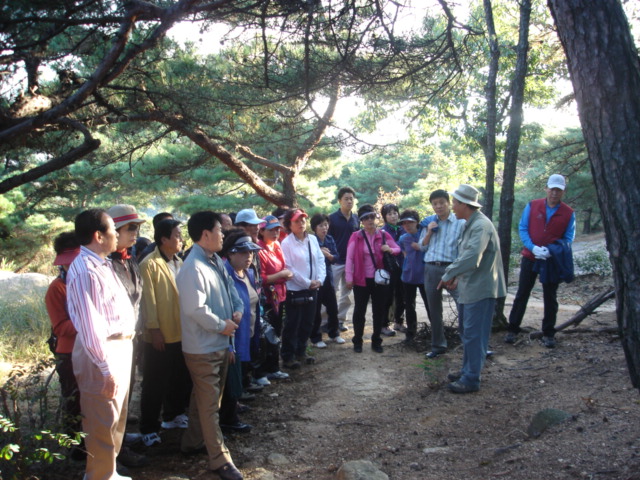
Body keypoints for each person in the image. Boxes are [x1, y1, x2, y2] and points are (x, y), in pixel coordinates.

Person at [66, 209, 137, 480]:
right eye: (112, 231)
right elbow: (89, 323)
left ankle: (109, 472)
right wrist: (105, 369)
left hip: (119, 346)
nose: (117, 235)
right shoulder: (84, 268)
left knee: (116, 415)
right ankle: (98, 475)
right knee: (100, 417)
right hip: (102, 351)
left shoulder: (102, 263)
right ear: (98, 235)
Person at [177, 211, 244, 480]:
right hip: (203, 347)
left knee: (205, 400)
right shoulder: (192, 267)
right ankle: (219, 459)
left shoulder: (215, 260)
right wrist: (222, 325)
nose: (223, 234)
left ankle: (192, 442)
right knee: (208, 404)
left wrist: (237, 310)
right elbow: (196, 309)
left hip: (220, 342)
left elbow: (231, 291)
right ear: (205, 234)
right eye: (219, 229)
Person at [438, 185, 506, 394]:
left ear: (464, 205)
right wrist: (457, 275)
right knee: (467, 332)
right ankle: (468, 370)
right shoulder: (471, 224)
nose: (453, 207)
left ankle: (471, 378)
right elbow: (465, 254)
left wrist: (448, 273)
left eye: (455, 203)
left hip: (481, 289)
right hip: (470, 287)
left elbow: (471, 257)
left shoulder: (480, 226)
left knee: (475, 334)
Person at [505, 174, 576, 348]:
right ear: (546, 188)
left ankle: (549, 333)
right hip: (530, 257)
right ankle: (512, 329)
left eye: (558, 190)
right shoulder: (533, 205)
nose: (554, 193)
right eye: (552, 189)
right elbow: (523, 228)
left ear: (563, 191)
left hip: (551, 260)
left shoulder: (568, 213)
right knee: (522, 293)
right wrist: (532, 247)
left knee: (550, 297)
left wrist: (551, 251)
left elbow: (568, 238)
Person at [138, 219, 191, 447]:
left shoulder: (179, 262)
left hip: (180, 332)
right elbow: (148, 300)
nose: (181, 239)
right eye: (177, 235)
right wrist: (154, 329)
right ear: (164, 239)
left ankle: (174, 415)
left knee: (179, 378)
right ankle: (149, 427)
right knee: (154, 383)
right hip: (159, 335)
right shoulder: (149, 264)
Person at [105, 204, 149, 470]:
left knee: (126, 393)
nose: (135, 233)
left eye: (137, 228)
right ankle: (111, 455)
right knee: (109, 398)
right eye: (130, 228)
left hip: (130, 339)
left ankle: (119, 441)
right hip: (110, 343)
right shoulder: (104, 263)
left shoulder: (129, 258)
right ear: (113, 230)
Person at [44, 232, 83, 459]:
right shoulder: (57, 288)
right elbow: (60, 327)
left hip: (89, 350)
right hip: (68, 354)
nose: (72, 266)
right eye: (67, 262)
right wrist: (88, 323)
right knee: (73, 402)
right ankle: (76, 449)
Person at [220, 229, 262, 434]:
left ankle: (234, 405)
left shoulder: (248, 273)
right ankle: (229, 418)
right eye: (244, 253)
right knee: (231, 378)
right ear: (231, 253)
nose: (249, 257)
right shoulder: (225, 275)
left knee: (242, 372)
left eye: (251, 253)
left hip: (250, 331)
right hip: (233, 335)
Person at [345, 204, 401, 354]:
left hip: (379, 280)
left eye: (372, 217)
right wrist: (348, 278)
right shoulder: (356, 236)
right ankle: (357, 341)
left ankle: (376, 341)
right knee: (359, 311)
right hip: (360, 280)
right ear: (361, 221)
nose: (370, 220)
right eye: (366, 218)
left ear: (376, 218)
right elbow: (349, 259)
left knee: (379, 311)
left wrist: (389, 249)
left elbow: (397, 248)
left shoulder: (383, 235)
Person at [420, 189, 466, 359]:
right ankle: (438, 345)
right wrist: (429, 232)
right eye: (435, 204)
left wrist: (459, 272)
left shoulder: (460, 223)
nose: (438, 206)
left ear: (448, 203)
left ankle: (469, 344)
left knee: (463, 305)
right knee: (434, 309)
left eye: (441, 202)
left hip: (452, 268)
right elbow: (422, 247)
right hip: (431, 268)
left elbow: (465, 249)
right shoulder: (429, 223)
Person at [280, 208, 326, 368]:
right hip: (295, 289)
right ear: (289, 224)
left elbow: (320, 260)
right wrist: (307, 282)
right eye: (296, 221)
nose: (301, 223)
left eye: (303, 220)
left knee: (308, 322)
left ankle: (301, 351)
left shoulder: (312, 239)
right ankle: (288, 356)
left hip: (314, 287)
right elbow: (289, 268)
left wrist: (320, 279)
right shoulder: (286, 243)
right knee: (293, 323)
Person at [256, 215, 292, 380]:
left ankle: (274, 367)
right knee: (266, 335)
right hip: (267, 299)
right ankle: (262, 371)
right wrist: (281, 275)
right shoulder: (258, 249)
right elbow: (261, 278)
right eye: (271, 229)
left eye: (278, 229)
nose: (276, 232)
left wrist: (283, 275)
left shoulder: (277, 245)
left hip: (280, 295)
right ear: (261, 231)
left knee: (277, 331)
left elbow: (283, 268)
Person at [309, 213, 346, 347]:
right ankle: (316, 338)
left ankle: (334, 334)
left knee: (332, 308)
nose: (324, 228)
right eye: (321, 225)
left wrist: (328, 255)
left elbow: (336, 258)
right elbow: (309, 259)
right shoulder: (311, 240)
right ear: (314, 227)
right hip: (315, 279)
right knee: (316, 310)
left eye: (326, 225)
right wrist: (320, 252)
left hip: (328, 278)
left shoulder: (330, 239)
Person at [328, 187, 359, 332]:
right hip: (335, 261)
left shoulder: (356, 219)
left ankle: (340, 320)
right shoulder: (331, 218)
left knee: (346, 293)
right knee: (330, 292)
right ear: (339, 201)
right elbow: (326, 239)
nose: (349, 201)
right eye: (346, 198)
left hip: (351, 262)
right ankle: (326, 321)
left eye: (351, 198)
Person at [397, 210, 430, 345]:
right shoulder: (403, 238)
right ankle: (411, 333)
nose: (407, 225)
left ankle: (436, 332)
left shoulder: (425, 234)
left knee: (430, 304)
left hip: (424, 276)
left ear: (417, 222)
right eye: (404, 223)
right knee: (409, 306)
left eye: (410, 222)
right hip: (408, 276)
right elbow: (403, 252)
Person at [380, 203, 405, 336]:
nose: (393, 216)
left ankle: (399, 321)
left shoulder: (403, 228)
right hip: (389, 268)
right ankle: (384, 324)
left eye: (395, 212)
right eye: (389, 214)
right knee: (388, 296)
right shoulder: (383, 232)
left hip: (403, 266)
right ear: (385, 217)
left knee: (402, 295)